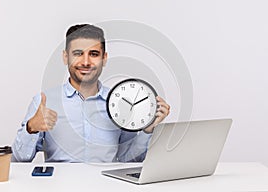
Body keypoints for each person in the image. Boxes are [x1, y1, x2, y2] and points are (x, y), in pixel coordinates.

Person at [12, 24, 170, 162]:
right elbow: (19, 160)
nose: (86, 62)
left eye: (93, 54)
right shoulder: (44, 101)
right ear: (65, 57)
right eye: (78, 53)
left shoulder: (121, 102)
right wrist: (31, 127)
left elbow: (127, 159)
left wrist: (147, 130)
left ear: (104, 58)